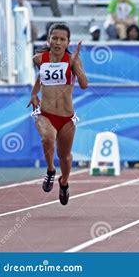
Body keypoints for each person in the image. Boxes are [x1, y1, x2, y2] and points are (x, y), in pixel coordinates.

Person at [27, 23, 88, 205]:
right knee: (47, 137)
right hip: (46, 113)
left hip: (66, 117)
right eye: (55, 38)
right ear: (49, 39)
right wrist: (34, 93)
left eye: (62, 39)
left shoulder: (72, 60)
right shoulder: (39, 59)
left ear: (68, 42)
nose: (58, 42)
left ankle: (64, 181)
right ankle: (51, 171)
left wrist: (76, 65)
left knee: (65, 156)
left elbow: (84, 84)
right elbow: (42, 76)